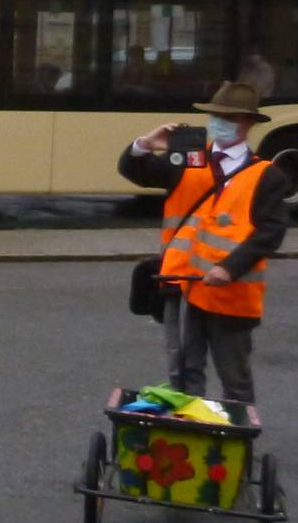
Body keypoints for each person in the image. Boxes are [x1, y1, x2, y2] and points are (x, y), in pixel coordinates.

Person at [120, 81, 289, 405]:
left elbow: (271, 232)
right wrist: (145, 144)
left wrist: (229, 268)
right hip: (180, 284)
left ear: (248, 124)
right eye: (215, 116)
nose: (219, 124)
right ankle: (190, 445)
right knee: (183, 376)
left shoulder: (266, 176)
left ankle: (236, 448)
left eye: (229, 118)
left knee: (234, 380)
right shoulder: (187, 159)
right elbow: (136, 170)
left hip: (230, 294)